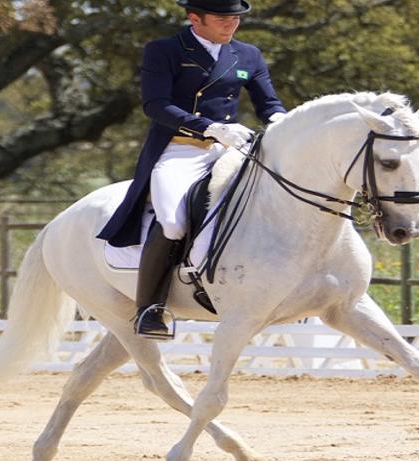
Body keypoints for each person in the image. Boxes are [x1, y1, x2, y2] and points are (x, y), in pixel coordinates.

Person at [96, 0, 287, 340]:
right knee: (173, 222)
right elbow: (156, 105)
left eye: (235, 18)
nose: (231, 25)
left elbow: (268, 104)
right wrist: (210, 127)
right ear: (194, 18)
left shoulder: (248, 55)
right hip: (179, 149)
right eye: (222, 18)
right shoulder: (165, 50)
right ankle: (150, 309)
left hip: (230, 149)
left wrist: (283, 122)